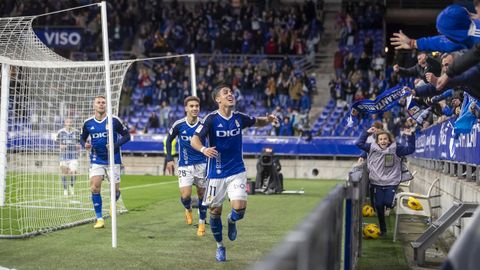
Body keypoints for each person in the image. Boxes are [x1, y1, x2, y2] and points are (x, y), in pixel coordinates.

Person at [191, 84, 278, 262]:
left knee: (239, 208)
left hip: (237, 170)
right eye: (226, 93)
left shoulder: (239, 118)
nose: (230, 94)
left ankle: (231, 221)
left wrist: (268, 119)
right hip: (216, 173)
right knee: (214, 212)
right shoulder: (210, 119)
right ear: (218, 99)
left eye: (231, 92)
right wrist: (204, 149)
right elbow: (195, 139)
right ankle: (220, 246)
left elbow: (256, 121)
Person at [80, 96, 131, 229]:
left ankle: (113, 202)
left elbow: (127, 136)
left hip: (113, 159)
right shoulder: (88, 123)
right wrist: (84, 144)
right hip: (97, 159)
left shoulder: (114, 120)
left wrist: (115, 144)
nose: (101, 105)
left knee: (115, 190)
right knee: (94, 187)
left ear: (106, 105)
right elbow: (81, 138)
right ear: (94, 105)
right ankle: (99, 219)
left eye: (103, 103)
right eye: (98, 102)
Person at [355, 127, 415, 236]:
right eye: (381, 139)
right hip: (376, 183)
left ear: (389, 140)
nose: (383, 141)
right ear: (377, 141)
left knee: (387, 203)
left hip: (391, 181)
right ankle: (383, 229)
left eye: (385, 139)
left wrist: (410, 136)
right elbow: (358, 143)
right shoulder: (371, 148)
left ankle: (392, 201)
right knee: (378, 206)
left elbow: (410, 149)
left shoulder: (396, 148)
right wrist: (367, 133)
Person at [165, 96, 208, 237]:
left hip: (202, 164)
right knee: (186, 195)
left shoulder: (204, 124)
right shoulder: (179, 124)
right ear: (186, 108)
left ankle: (202, 222)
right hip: (184, 165)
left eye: (197, 106)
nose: (195, 108)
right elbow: (169, 139)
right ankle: (188, 208)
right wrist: (169, 158)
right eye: (191, 106)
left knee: (202, 195)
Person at [57, 118, 80, 196]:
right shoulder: (61, 132)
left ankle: (72, 187)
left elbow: (79, 143)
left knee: (73, 172)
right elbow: (57, 143)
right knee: (64, 172)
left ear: (72, 123)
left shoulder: (76, 132)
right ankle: (65, 189)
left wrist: (78, 146)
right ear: (65, 123)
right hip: (64, 156)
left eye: (70, 122)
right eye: (67, 122)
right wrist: (61, 146)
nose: (69, 123)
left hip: (73, 156)